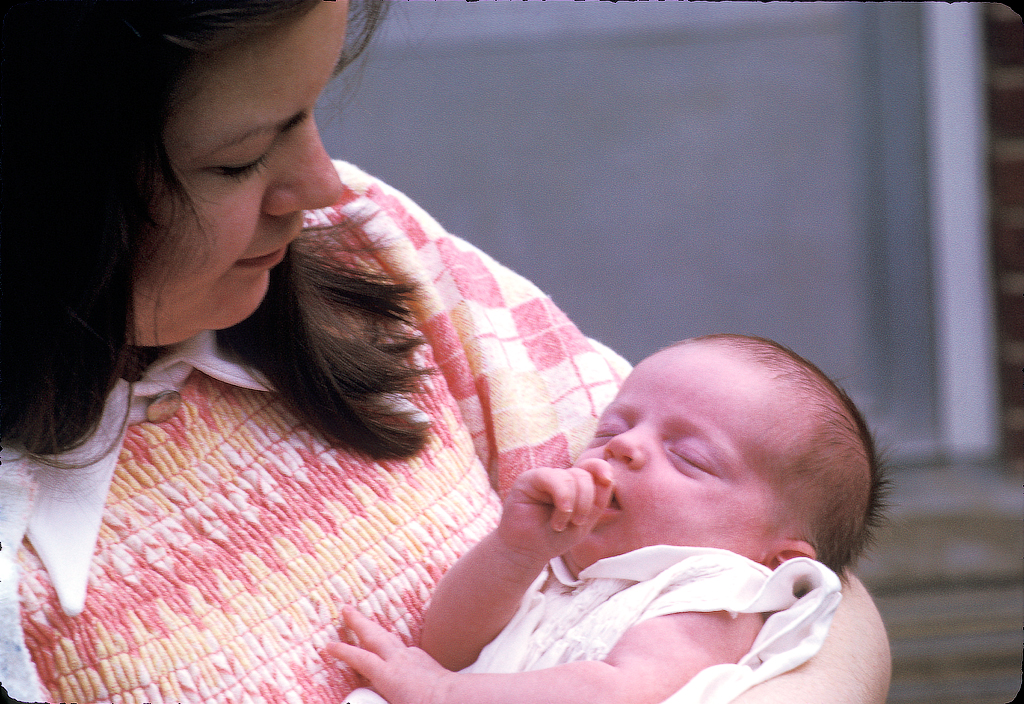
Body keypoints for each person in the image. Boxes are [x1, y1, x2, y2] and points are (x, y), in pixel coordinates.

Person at [0, 2, 890, 703]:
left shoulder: (369, 243)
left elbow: (815, 575)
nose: (324, 186)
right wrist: (511, 550)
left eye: (311, 111)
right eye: (238, 159)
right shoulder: (581, 551)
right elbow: (449, 636)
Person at [327, 334, 887, 704]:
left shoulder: (717, 592)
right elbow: (448, 647)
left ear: (776, 560)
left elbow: (617, 694)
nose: (625, 447)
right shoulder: (569, 566)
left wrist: (440, 694)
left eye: (689, 458)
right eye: (613, 428)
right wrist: (513, 553)